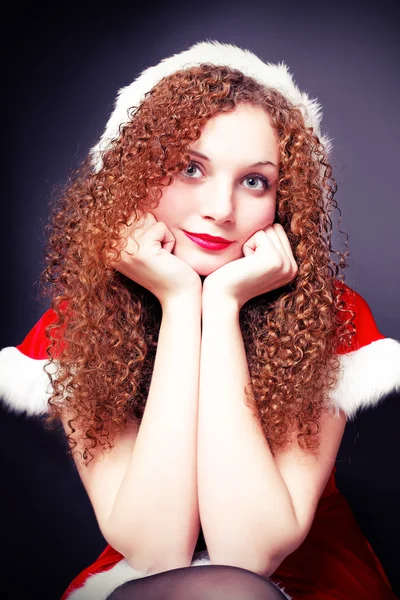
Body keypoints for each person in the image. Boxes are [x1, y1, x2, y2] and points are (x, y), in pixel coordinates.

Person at [1, 40, 399, 600]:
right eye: (190, 168)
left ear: (283, 202)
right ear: (136, 175)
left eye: (255, 180)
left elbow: (248, 554)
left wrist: (224, 304)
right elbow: (157, 551)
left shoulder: (327, 316)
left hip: (302, 579)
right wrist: (182, 300)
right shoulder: (78, 324)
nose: (221, 208)